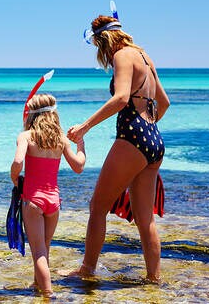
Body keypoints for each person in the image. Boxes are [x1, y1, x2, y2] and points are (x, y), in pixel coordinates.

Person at [67, 15, 170, 282]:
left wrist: (84, 127)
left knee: (97, 206)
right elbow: (165, 103)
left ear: (105, 40)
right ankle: (154, 279)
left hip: (132, 137)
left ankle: (86, 271)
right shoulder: (145, 57)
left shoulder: (122, 56)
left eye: (98, 46)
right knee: (145, 219)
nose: (101, 53)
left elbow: (121, 98)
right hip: (154, 139)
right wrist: (147, 133)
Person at [11, 94, 86, 297]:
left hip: (33, 201)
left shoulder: (26, 136)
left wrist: (14, 178)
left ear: (31, 115)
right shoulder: (61, 139)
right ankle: (38, 287)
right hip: (54, 202)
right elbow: (78, 166)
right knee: (45, 248)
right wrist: (81, 144)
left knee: (38, 253)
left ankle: (48, 294)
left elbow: (18, 162)